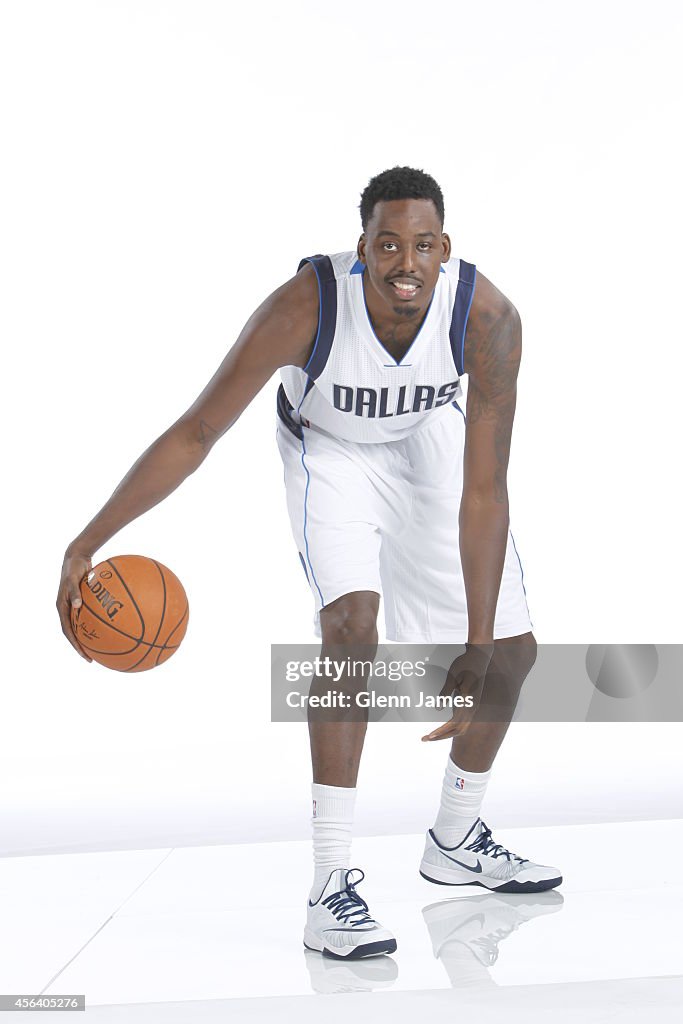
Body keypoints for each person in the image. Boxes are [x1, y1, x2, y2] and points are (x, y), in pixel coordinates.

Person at [57, 165, 562, 963]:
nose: (405, 262)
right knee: (350, 631)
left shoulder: (487, 318)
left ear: (445, 249)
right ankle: (331, 886)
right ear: (359, 249)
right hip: (329, 450)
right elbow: (196, 434)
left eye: (422, 245)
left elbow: (484, 491)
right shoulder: (304, 307)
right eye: (387, 244)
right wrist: (86, 541)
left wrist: (472, 644)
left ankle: (456, 837)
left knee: (513, 654)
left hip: (428, 444)